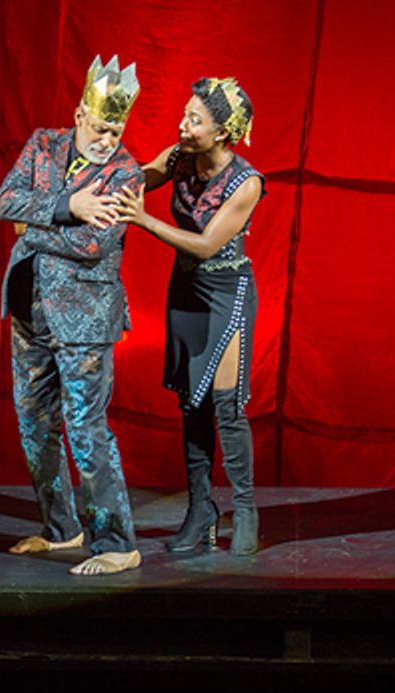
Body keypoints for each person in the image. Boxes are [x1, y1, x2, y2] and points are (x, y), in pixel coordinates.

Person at [0, 55, 145, 576]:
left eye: (117, 128)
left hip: (84, 317)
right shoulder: (44, 144)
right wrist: (68, 205)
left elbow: (94, 244)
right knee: (34, 423)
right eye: (102, 126)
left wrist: (34, 223)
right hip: (27, 308)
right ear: (81, 112)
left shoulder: (126, 172)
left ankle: (117, 541)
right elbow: (4, 200)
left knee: (85, 425)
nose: (108, 138)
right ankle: (60, 529)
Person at [111, 77, 264, 555]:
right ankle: (201, 511)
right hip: (186, 290)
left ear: (222, 133)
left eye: (195, 120)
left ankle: (245, 509)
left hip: (225, 291)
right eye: (186, 114)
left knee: (226, 404)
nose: (183, 124)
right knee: (191, 403)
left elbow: (205, 243)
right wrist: (92, 174)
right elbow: (136, 178)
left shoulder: (247, 182)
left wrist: (143, 219)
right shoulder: (180, 157)